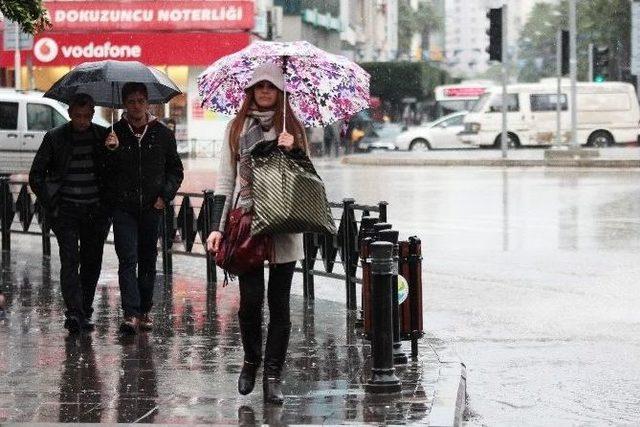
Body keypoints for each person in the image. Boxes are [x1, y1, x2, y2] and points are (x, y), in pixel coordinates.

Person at [205, 63, 308, 405]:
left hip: (283, 225)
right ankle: (251, 361)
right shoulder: (236, 128)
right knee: (250, 303)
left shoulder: (292, 127)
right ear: (250, 91)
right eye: (259, 86)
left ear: (281, 92)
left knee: (280, 306)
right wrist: (216, 229)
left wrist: (293, 149)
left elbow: (308, 178)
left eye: (271, 86)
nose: (265, 91)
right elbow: (225, 181)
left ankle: (273, 376)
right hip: (246, 224)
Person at [104, 82, 184, 334]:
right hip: (124, 208)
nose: (136, 106)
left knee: (148, 260)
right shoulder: (114, 132)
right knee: (127, 259)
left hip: (152, 207)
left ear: (147, 102)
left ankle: (145, 310)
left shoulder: (162, 133)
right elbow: (105, 172)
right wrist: (110, 151)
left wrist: (164, 196)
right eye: (131, 101)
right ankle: (130, 313)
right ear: (124, 104)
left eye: (140, 101)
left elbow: (175, 170)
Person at [29, 93, 111, 333]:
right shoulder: (55, 138)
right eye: (78, 116)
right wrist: (51, 204)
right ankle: (73, 313)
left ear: (93, 115)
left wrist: (114, 150)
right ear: (70, 114)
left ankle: (85, 309)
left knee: (91, 261)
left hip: (95, 211)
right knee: (69, 260)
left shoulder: (103, 137)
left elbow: (113, 173)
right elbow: (37, 175)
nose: (82, 121)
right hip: (65, 211)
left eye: (87, 116)